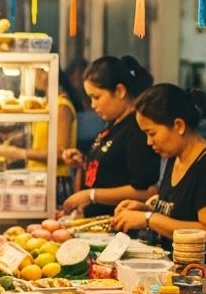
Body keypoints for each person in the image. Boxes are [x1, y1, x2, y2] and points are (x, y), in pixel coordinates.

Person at [109, 84, 206, 266]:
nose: (149, 142)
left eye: (152, 133)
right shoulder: (175, 157)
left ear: (179, 125)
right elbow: (181, 214)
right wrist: (146, 209)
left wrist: (148, 220)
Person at [61, 56, 159, 218]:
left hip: (120, 228)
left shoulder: (137, 129)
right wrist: (83, 164)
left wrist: (91, 195)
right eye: (90, 98)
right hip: (95, 224)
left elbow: (148, 192)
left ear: (120, 91)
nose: (92, 105)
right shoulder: (112, 125)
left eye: (97, 97)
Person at [0, 69, 81, 202]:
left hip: (55, 181)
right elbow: (42, 139)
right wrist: (13, 141)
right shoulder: (47, 104)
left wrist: (20, 153)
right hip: (38, 180)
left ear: (46, 73)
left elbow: (61, 154)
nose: (33, 77)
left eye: (35, 72)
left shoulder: (62, 107)